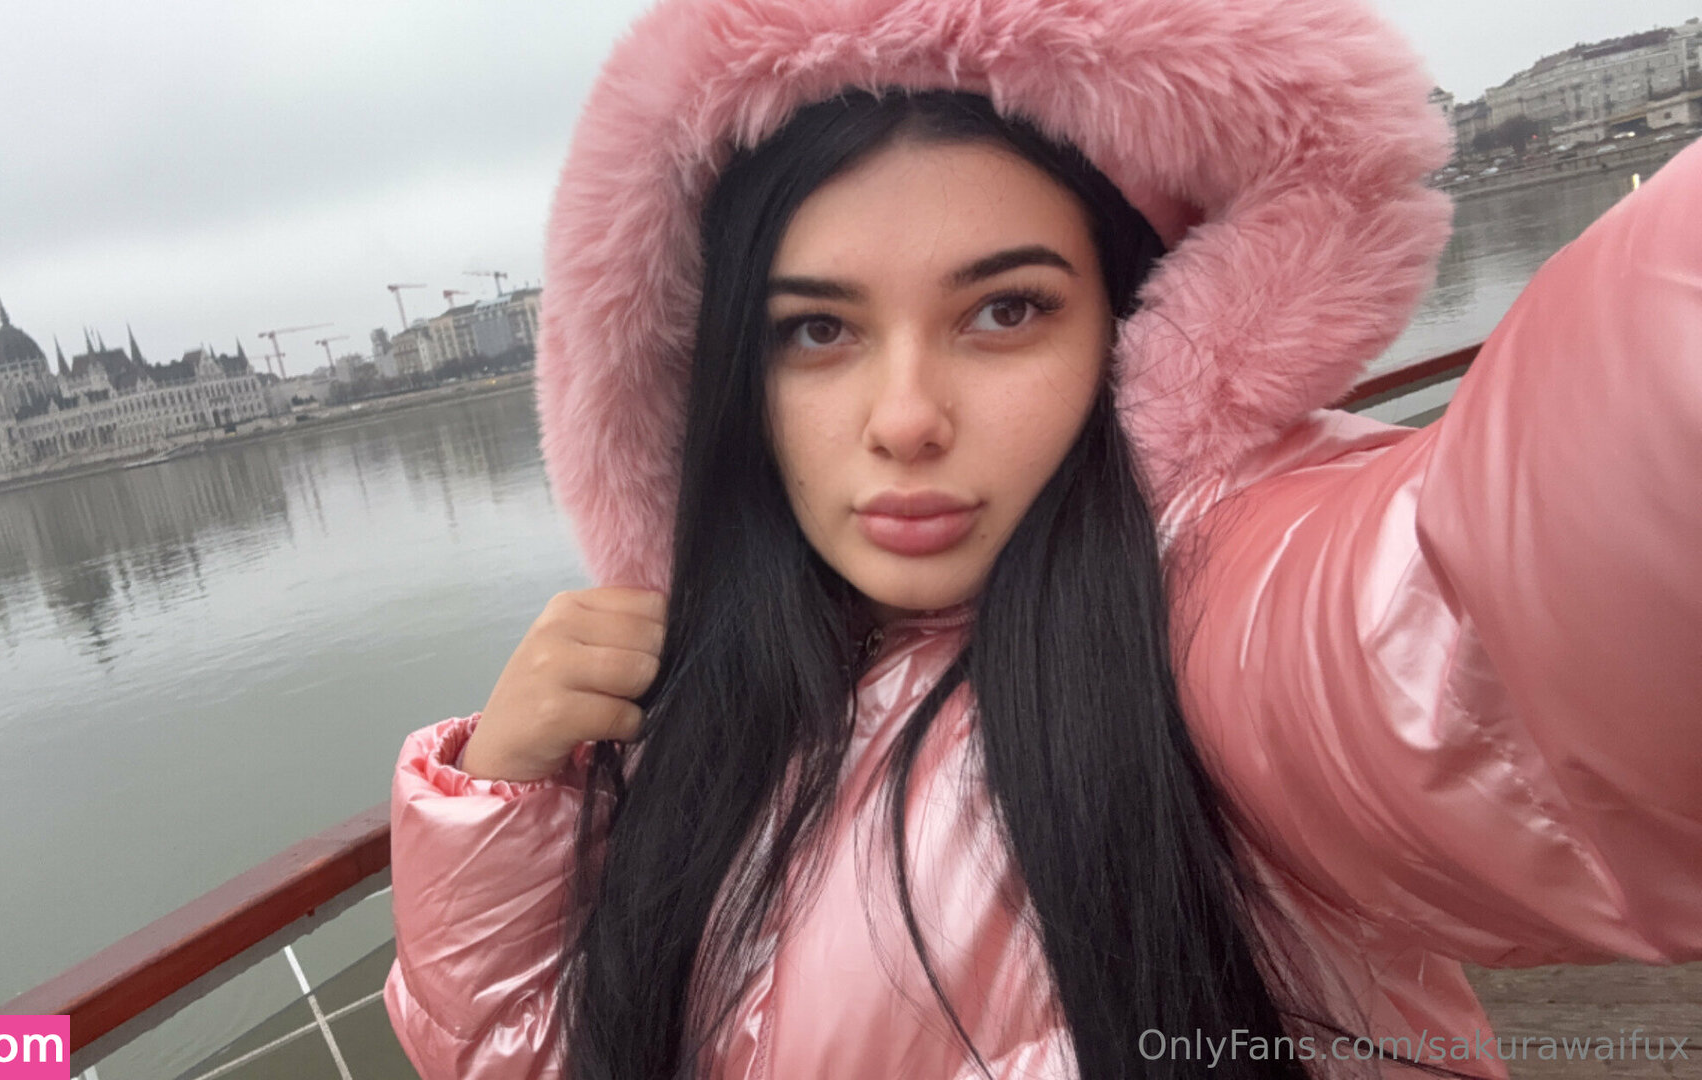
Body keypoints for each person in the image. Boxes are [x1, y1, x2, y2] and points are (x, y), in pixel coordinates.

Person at [382, 1, 1702, 1077]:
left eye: (1005, 311)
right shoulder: (702, 715)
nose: (905, 419)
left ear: (1139, 327)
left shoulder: (1204, 609)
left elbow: (1469, 620)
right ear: (732, 380)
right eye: (819, 331)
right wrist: (501, 805)